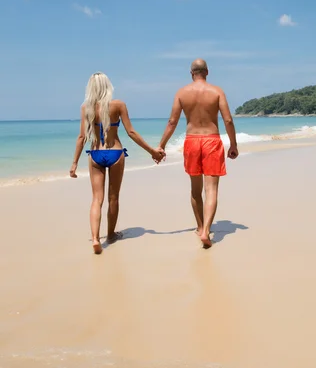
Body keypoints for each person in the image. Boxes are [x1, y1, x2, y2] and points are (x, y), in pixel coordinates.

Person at [70, 72, 164, 254]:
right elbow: (131, 133)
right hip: (115, 153)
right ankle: (111, 235)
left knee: (97, 199)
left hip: (96, 153)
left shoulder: (86, 108)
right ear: (107, 86)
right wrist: (152, 151)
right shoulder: (118, 105)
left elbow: (81, 137)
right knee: (113, 198)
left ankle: (96, 239)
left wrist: (74, 163)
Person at [159, 59, 238, 248]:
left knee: (195, 190)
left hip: (192, 142)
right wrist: (233, 144)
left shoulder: (182, 93)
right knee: (211, 190)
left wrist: (161, 145)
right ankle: (206, 231)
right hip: (211, 140)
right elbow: (227, 120)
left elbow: (172, 122)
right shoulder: (217, 92)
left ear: (191, 73)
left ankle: (200, 226)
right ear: (207, 72)